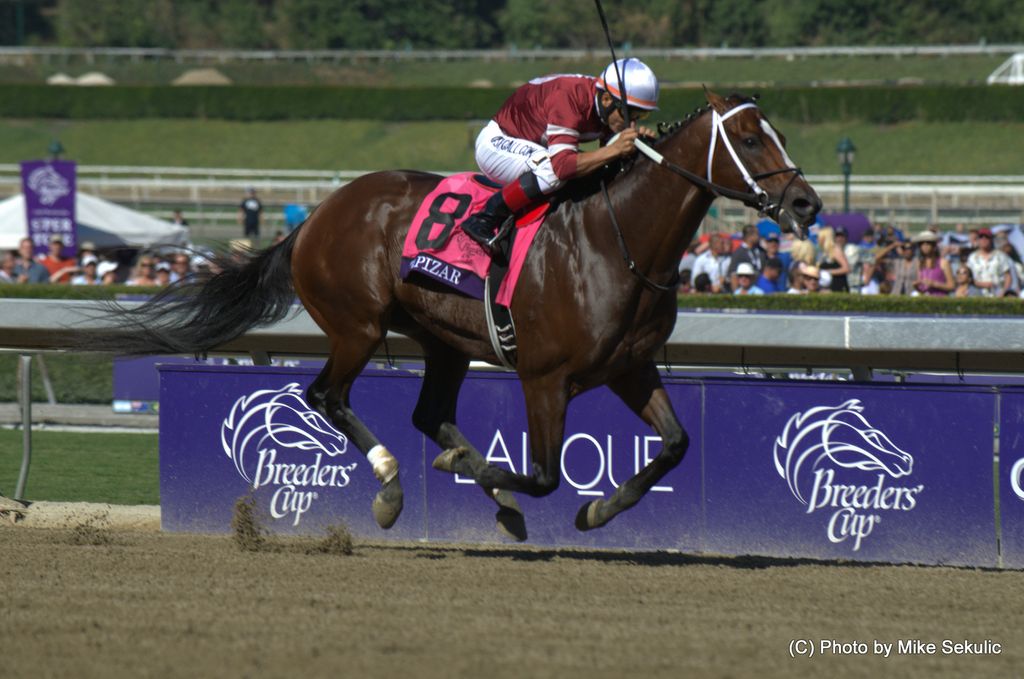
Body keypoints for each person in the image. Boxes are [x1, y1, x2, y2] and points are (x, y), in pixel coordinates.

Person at [461, 58, 660, 254]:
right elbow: (563, 167)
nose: (631, 123)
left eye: (640, 116)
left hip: (534, 146)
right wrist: (615, 149)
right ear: (607, 99)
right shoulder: (568, 99)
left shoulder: (605, 106)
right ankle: (484, 218)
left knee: (593, 169)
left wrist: (637, 146)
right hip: (497, 143)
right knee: (552, 170)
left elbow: (610, 165)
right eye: (629, 113)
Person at [967, 228, 1011, 297]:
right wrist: (980, 284)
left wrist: (1004, 291)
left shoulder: (1000, 255)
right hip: (977, 293)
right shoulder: (972, 258)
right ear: (978, 240)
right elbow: (967, 277)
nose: (984, 239)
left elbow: (1007, 276)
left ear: (991, 239)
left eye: (987, 237)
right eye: (981, 237)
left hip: (997, 293)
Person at [913, 231, 953, 296]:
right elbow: (922, 289)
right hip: (925, 299)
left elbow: (951, 286)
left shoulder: (943, 262)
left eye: (928, 243)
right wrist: (916, 286)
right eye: (922, 244)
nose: (925, 246)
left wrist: (934, 284)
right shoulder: (920, 263)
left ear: (934, 246)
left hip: (940, 299)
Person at [728, 224, 765, 291]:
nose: (759, 237)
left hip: (760, 288)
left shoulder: (761, 251)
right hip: (746, 290)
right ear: (749, 236)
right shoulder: (738, 253)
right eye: (757, 234)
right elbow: (733, 275)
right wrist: (737, 293)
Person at [817, 227, 850, 293]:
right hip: (827, 288)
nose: (817, 239)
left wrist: (828, 272)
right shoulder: (824, 252)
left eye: (819, 237)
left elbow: (846, 268)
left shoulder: (835, 250)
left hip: (838, 287)